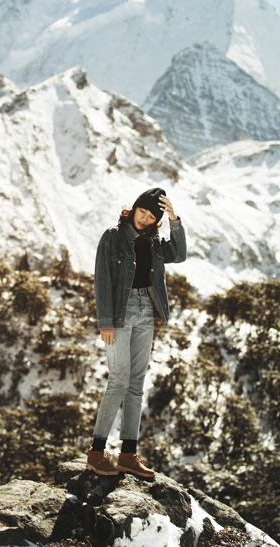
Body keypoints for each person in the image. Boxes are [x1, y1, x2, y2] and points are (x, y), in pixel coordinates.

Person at [86, 187, 186, 478]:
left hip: (147, 310)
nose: (144, 219)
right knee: (118, 380)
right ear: (133, 210)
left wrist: (173, 218)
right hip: (120, 311)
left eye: (152, 217)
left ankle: (128, 455)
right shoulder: (113, 236)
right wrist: (105, 321)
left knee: (136, 383)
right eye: (142, 212)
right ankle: (96, 451)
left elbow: (179, 254)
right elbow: (102, 279)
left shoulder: (154, 243)